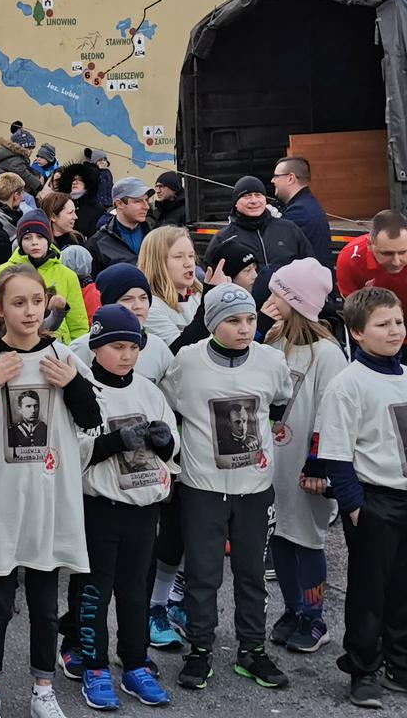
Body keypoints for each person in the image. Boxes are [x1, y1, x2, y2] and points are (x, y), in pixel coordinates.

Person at [0, 264, 101, 718]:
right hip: (0, 502)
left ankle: (42, 690)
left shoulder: (65, 359)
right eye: (18, 302)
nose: (30, 311)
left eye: (36, 300)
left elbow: (93, 423)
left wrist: (72, 385)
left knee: (44, 606)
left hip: (49, 501)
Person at [161, 283, 291, 692]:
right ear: (212, 322)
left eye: (250, 319)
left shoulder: (271, 360)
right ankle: (200, 648)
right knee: (203, 573)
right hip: (203, 486)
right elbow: (171, 404)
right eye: (233, 320)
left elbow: (279, 402)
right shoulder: (188, 361)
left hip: (255, 486)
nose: (244, 328)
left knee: (252, 573)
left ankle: (252, 649)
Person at [63, 305, 178, 709]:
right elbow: (70, 450)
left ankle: (135, 663)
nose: (127, 355)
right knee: (95, 590)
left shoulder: (149, 389)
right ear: (96, 346)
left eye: (133, 346)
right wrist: (114, 442)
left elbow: (172, 445)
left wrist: (164, 441)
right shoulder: (83, 389)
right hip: (101, 507)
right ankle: (93, 665)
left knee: (134, 592)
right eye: (116, 346)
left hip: (143, 507)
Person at [312, 286, 407, 707]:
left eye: (399, 322)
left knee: (403, 589)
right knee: (370, 591)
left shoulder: (406, 376)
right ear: (357, 332)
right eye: (383, 325)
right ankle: (363, 669)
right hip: (374, 501)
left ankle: (399, 665)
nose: (394, 331)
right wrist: (354, 508)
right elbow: (336, 454)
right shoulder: (348, 384)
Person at [258, 258, 346, 655]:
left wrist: (319, 464)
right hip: (274, 459)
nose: (271, 298)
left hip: (305, 466)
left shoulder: (328, 354)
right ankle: (293, 609)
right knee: (280, 534)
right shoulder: (275, 338)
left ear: (297, 300)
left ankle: (315, 617)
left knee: (308, 540)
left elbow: (332, 413)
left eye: (279, 292)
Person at [0, 211, 89, 345]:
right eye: (27, 238)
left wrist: (77, 351)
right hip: (15, 345)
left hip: (58, 347)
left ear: (48, 239)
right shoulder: (1, 273)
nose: (34, 243)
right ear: (20, 241)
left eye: (40, 237)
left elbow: (78, 323)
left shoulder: (67, 275)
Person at [204, 176, 314, 281]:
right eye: (246, 196)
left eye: (258, 195)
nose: (254, 200)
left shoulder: (289, 229)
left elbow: (310, 266)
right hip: (246, 300)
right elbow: (210, 275)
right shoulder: (223, 238)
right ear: (236, 203)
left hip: (286, 299)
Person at [138, 226, 215, 350]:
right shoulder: (150, 307)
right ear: (157, 263)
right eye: (179, 257)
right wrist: (209, 303)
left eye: (191, 256)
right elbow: (178, 350)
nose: (189, 263)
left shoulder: (199, 296)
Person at [272, 156, 331, 269]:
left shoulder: (298, 212)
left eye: (276, 176)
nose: (272, 181)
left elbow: (280, 252)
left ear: (290, 178)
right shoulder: (306, 203)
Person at [87, 178, 154, 275]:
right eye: (138, 201)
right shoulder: (97, 243)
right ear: (119, 203)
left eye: (147, 200)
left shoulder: (155, 236)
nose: (146, 206)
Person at [336, 208, 407, 300]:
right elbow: (354, 309)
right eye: (387, 254)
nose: (396, 262)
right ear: (369, 244)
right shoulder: (349, 260)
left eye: (403, 252)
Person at [0, 121, 43, 198]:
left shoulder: (15, 155)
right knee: (29, 198)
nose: (31, 150)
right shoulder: (14, 159)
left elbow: (27, 169)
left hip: (2, 186)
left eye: (32, 148)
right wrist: (39, 186)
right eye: (29, 148)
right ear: (20, 147)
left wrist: (38, 174)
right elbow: (23, 174)